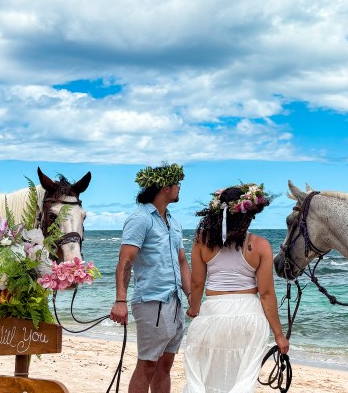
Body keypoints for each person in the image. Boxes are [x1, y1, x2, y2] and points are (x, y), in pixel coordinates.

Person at [183, 183, 289, 393]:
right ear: (247, 215)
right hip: (249, 316)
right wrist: (279, 334)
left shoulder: (202, 241)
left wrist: (194, 308)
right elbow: (266, 294)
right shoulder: (260, 245)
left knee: (203, 377)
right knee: (242, 381)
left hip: (213, 313)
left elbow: (197, 283)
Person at [110, 163, 192, 393]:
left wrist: (192, 297)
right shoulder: (141, 219)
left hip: (174, 302)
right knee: (147, 364)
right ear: (164, 187)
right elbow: (125, 261)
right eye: (177, 184)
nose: (179, 188)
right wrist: (120, 300)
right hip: (151, 301)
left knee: (165, 365)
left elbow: (182, 262)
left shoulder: (173, 222)